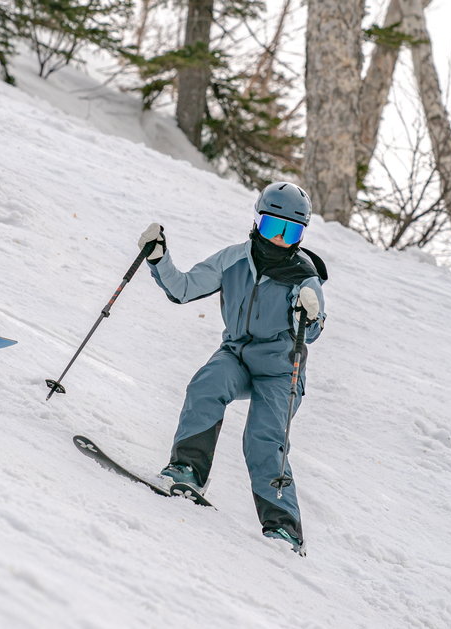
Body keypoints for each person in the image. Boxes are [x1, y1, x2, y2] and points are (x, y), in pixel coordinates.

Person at [140, 181, 327, 553]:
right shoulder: (234, 259)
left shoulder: (304, 276)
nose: (279, 239)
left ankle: (283, 527)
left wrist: (309, 314)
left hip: (279, 370)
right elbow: (184, 288)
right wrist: (159, 259)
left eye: (291, 232)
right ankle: (187, 472)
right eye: (274, 227)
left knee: (263, 439)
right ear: (258, 222)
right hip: (238, 355)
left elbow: (314, 329)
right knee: (207, 384)